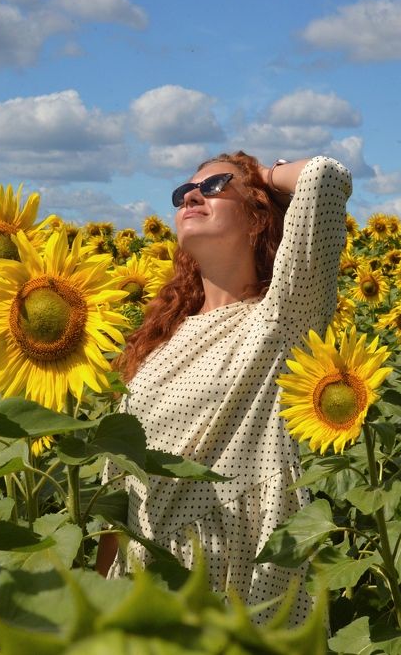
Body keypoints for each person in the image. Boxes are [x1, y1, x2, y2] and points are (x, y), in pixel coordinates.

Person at [95, 151, 351, 626]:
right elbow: (120, 484)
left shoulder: (279, 318)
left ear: (257, 217)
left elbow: (324, 176)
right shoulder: (163, 341)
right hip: (143, 579)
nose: (191, 194)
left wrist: (265, 175)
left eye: (214, 186)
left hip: (233, 578)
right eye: (183, 193)